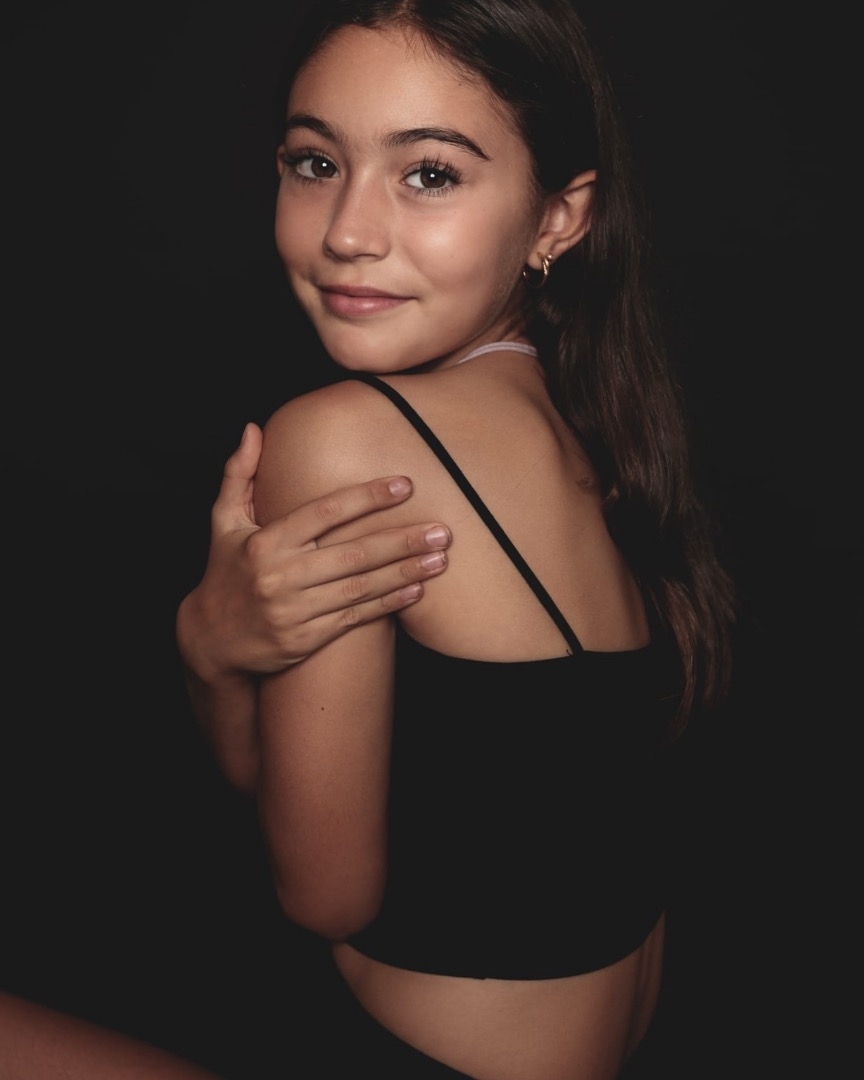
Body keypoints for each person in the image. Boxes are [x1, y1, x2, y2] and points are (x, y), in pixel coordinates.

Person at [177, 1, 736, 1076]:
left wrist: (208, 654)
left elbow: (323, 896)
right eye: (314, 163)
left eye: (429, 173)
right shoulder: (608, 426)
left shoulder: (344, 441)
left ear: (558, 218)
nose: (348, 230)